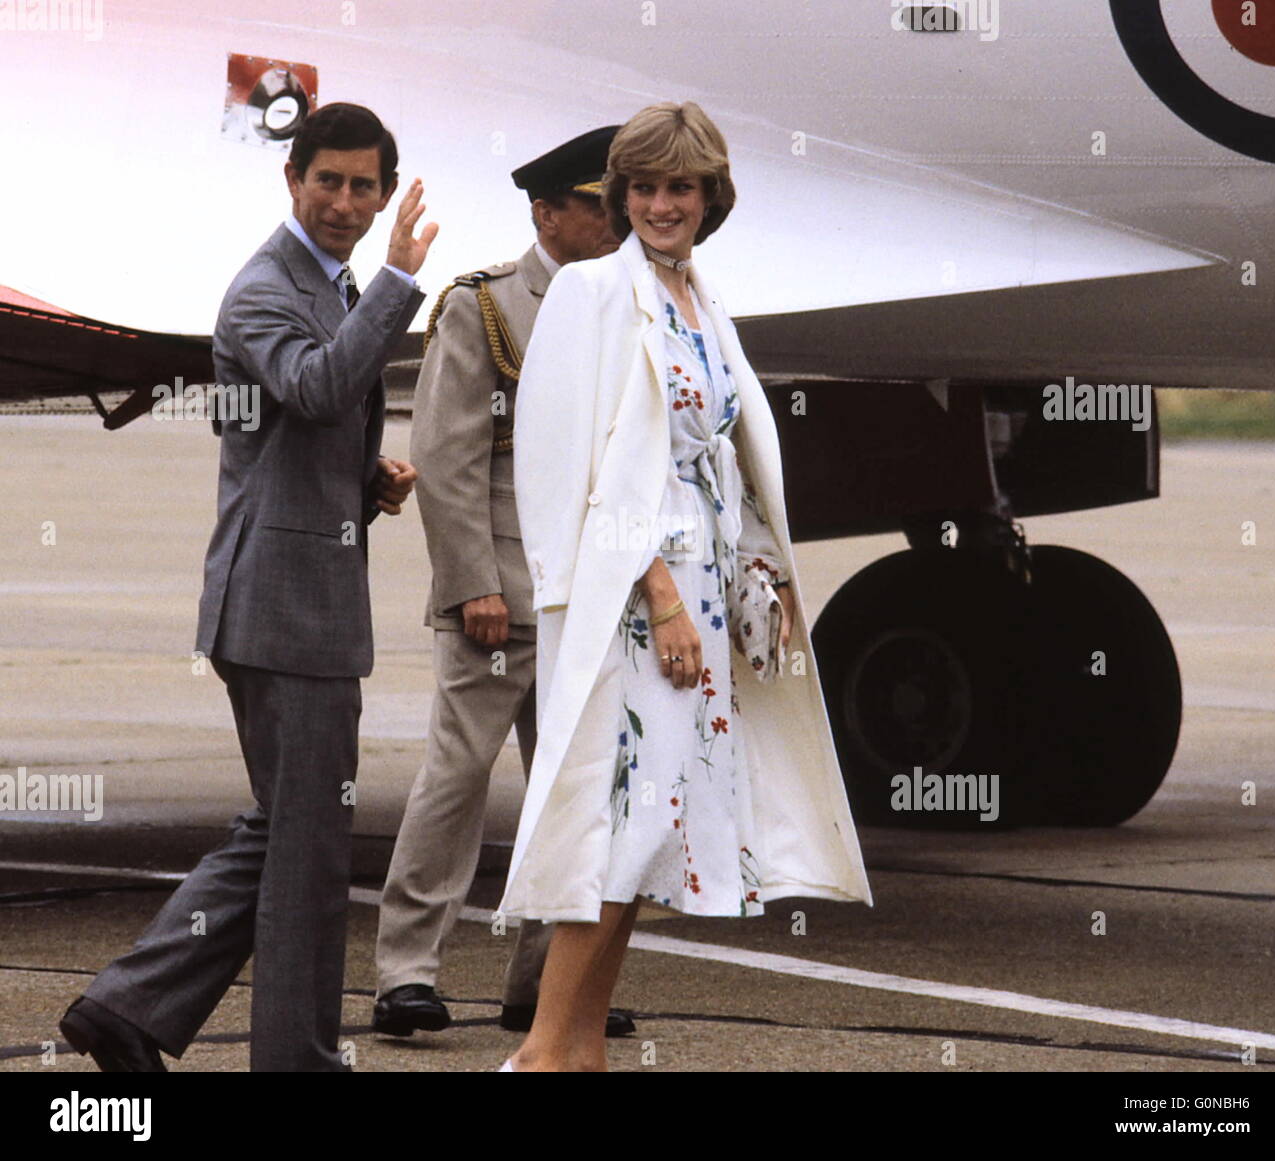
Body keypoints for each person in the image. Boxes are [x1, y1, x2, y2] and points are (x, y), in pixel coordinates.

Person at [498, 101, 873, 1072]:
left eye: (681, 187)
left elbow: (718, 464)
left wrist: (763, 579)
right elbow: (573, 471)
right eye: (645, 188)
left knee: (657, 835)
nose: (662, 205)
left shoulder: (701, 297)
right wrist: (659, 593)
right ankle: (545, 1053)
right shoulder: (592, 294)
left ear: (710, 197)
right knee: (617, 836)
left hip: (704, 610)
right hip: (634, 608)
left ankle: (578, 1051)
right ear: (620, 196)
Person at [59, 102, 434, 1072]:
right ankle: (294, 1062)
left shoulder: (333, 287)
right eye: (329, 181)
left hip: (298, 601)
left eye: (364, 186)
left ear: (383, 191)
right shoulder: (264, 290)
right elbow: (313, 387)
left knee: (281, 835)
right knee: (307, 860)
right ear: (292, 180)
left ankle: (129, 1009)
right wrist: (399, 282)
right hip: (282, 613)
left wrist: (367, 478)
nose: (345, 202)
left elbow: (298, 429)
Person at [372, 126, 634, 1039]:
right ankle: (406, 970)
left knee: (578, 793)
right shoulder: (483, 307)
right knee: (458, 779)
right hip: (505, 594)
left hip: (593, 597)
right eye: (596, 204)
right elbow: (447, 460)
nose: (614, 220)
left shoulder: (629, 301)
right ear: (546, 210)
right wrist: (472, 581)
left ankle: (545, 985)